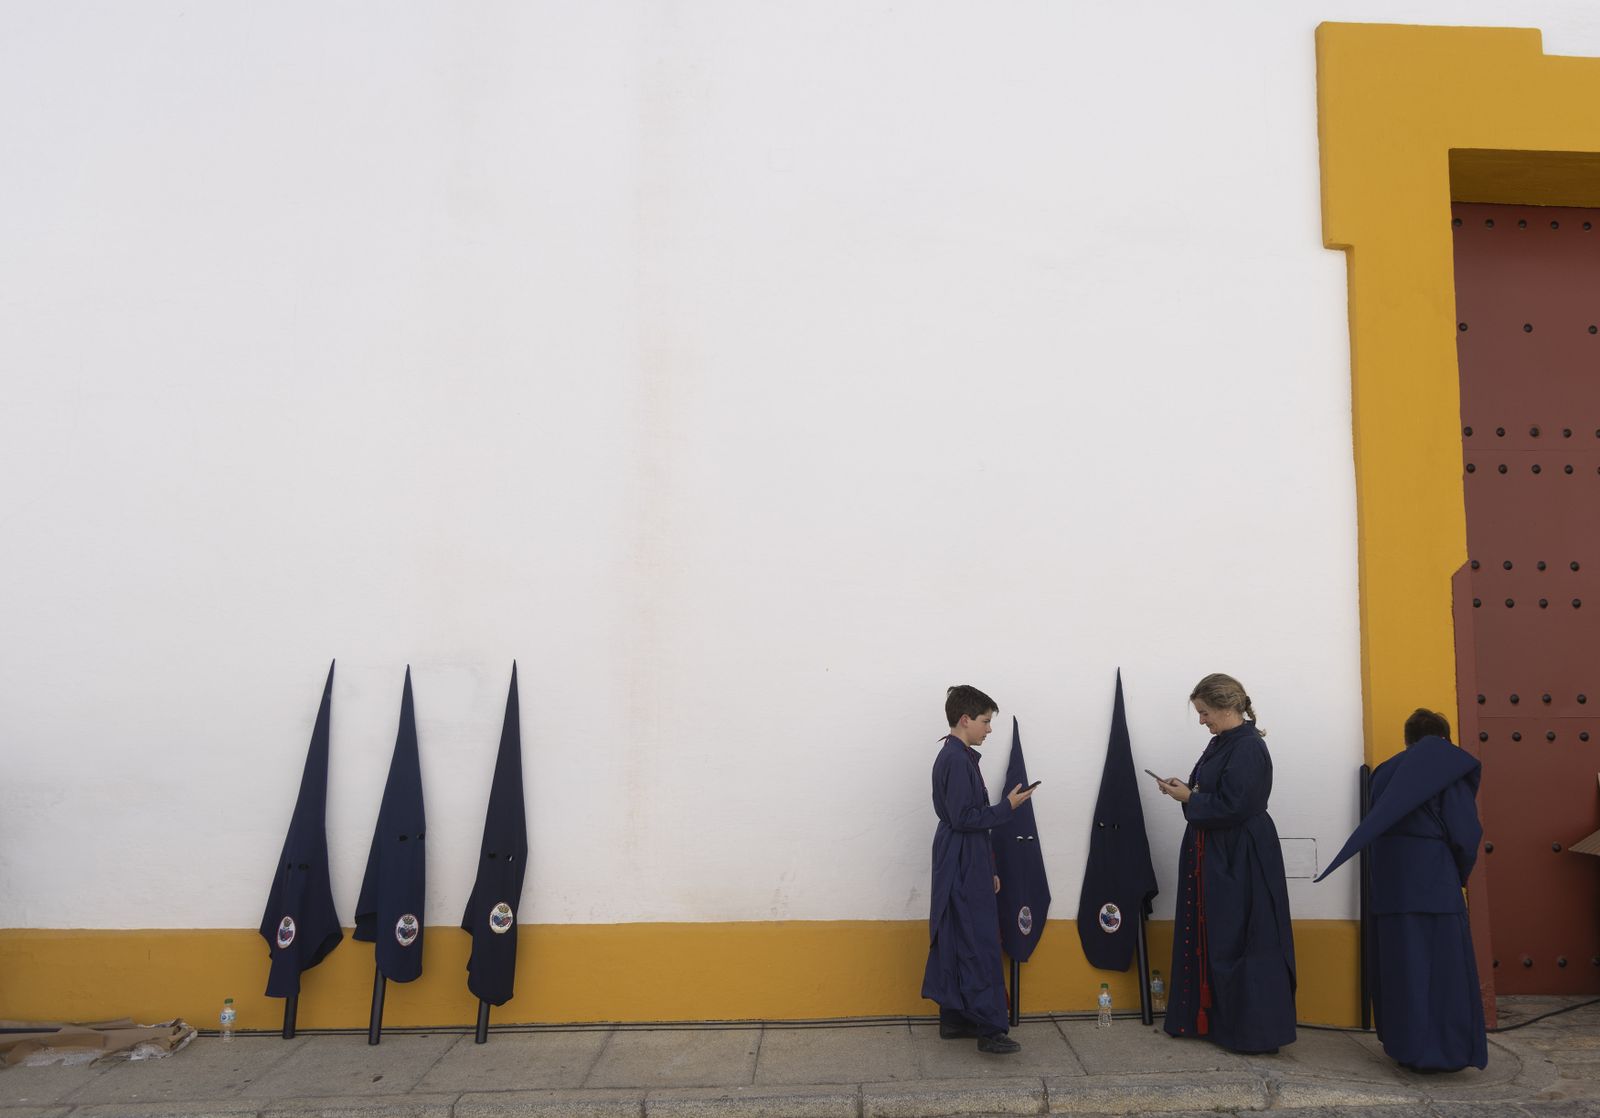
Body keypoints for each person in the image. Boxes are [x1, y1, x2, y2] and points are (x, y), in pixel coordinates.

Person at [1315, 708, 1487, 1072]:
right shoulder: (1448, 768)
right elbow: (1465, 834)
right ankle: (1444, 1053)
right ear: (1445, 738)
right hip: (1435, 884)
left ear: (1408, 739)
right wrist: (1459, 874)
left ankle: (1406, 1048)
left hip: (1391, 882)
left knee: (1401, 969)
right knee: (1443, 972)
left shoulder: (1385, 772)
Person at [1154, 673, 1296, 1053]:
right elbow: (1212, 791)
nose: (1202, 720)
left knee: (1240, 935)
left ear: (1226, 706)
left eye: (1204, 712)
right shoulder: (1222, 743)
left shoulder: (1248, 747)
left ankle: (1249, 1031)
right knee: (1219, 934)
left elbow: (1237, 804)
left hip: (1240, 856)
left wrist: (1190, 798)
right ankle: (1217, 1021)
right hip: (1218, 852)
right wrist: (1185, 790)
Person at [921, 685, 1036, 1054]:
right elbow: (965, 817)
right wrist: (1009, 807)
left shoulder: (959, 755)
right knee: (979, 940)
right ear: (965, 719)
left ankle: (955, 1020)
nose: (989, 729)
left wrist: (988, 867)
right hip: (961, 856)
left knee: (960, 935)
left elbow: (965, 822)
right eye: (986, 722)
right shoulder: (956, 759)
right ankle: (990, 1030)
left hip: (964, 855)